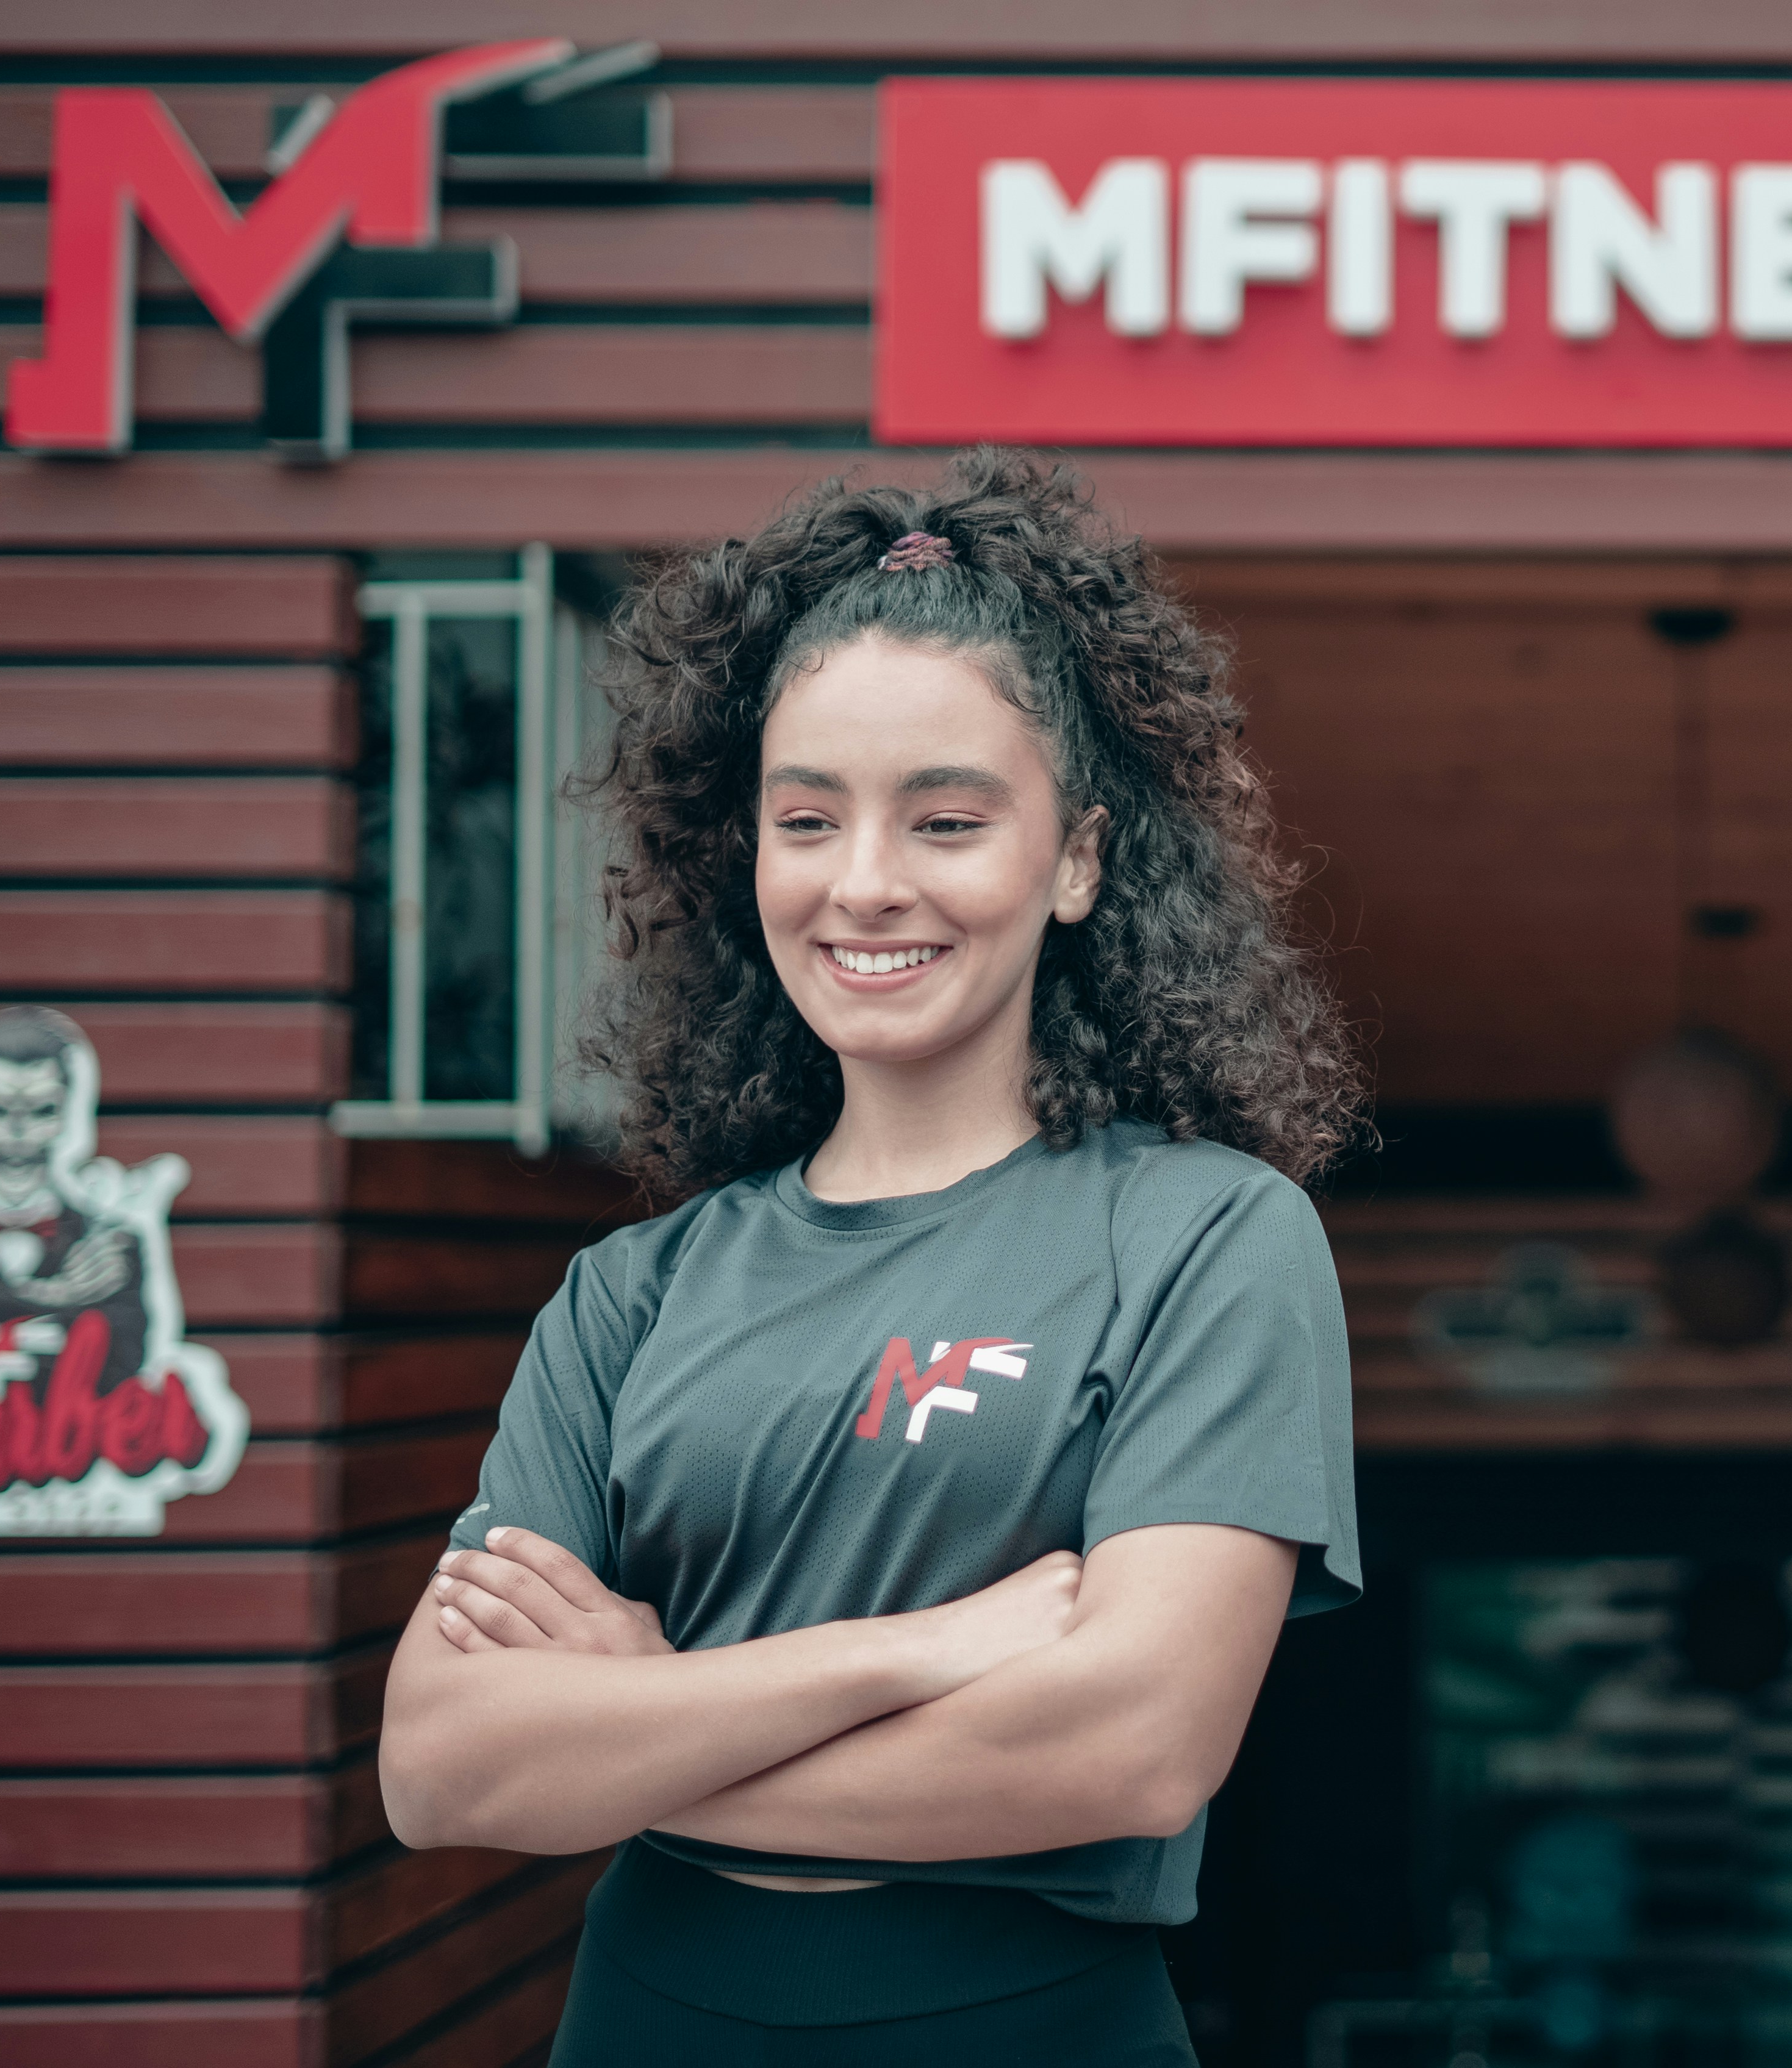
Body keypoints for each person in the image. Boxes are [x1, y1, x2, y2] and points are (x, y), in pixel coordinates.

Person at [377, 451, 1367, 2064]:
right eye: (808, 817)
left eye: (949, 818)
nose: (865, 883)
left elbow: (1132, 1745)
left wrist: (639, 1724)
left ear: (1078, 860)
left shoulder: (1203, 1238)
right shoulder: (633, 1296)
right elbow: (438, 1768)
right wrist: (926, 1649)